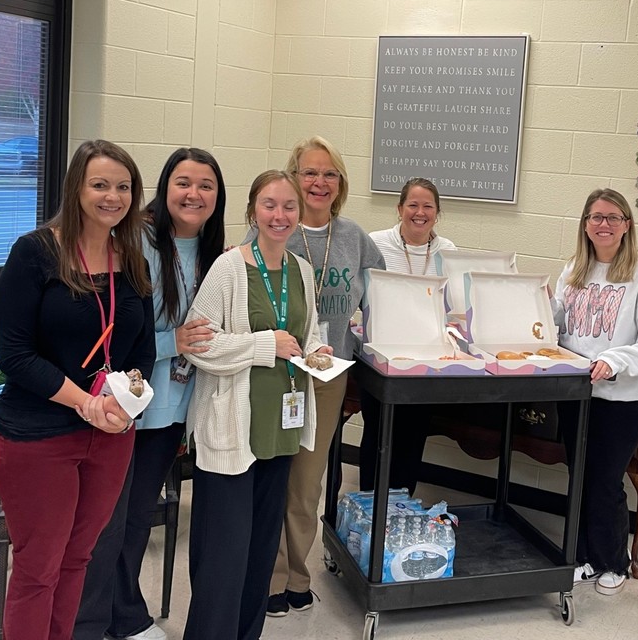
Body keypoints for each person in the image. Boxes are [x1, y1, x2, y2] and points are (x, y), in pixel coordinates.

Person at [0, 140, 155, 640]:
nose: (113, 197)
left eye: (123, 187)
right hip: (39, 435)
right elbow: (15, 355)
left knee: (78, 558)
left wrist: (124, 404)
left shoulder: (131, 259)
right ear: (76, 188)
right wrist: (85, 402)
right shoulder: (35, 253)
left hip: (109, 435)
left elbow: (142, 352)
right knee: (38, 569)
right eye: (100, 185)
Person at [75, 148, 226, 640]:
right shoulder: (133, 240)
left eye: (206, 185)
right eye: (183, 182)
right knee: (107, 522)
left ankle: (123, 614)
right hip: (123, 404)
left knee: (137, 517)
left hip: (172, 407)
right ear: (165, 188)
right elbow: (115, 333)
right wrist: (171, 342)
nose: (194, 194)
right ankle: (99, 620)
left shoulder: (216, 253)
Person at [181, 170, 331, 640]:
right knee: (223, 557)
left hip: (281, 430)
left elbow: (307, 334)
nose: (279, 215)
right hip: (231, 433)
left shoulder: (301, 270)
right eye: (269, 204)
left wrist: (316, 352)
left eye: (289, 206)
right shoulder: (229, 268)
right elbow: (198, 344)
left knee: (260, 556)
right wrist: (266, 345)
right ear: (252, 211)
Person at [266, 136, 385, 618]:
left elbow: (382, 296)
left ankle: (298, 574)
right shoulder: (278, 229)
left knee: (308, 484)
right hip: (276, 374)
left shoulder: (354, 237)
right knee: (274, 476)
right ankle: (270, 576)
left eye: (329, 173)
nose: (319, 182)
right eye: (310, 172)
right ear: (293, 177)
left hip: (329, 376)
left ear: (340, 182)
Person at [553, 188, 638, 596]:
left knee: (606, 480)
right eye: (596, 217)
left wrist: (614, 360)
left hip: (622, 397)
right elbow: (557, 323)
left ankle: (613, 562)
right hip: (577, 391)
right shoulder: (574, 269)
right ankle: (583, 557)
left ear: (627, 225)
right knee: (580, 477)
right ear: (585, 225)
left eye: (613, 217)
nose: (603, 224)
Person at [362, 177, 457, 493]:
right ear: (399, 208)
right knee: (377, 433)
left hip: (426, 362)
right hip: (381, 357)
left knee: (413, 436)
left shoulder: (447, 251)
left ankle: (403, 505)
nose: (420, 212)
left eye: (428, 206)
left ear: (437, 213)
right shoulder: (375, 243)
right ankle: (370, 503)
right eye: (413, 205)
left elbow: (453, 306)